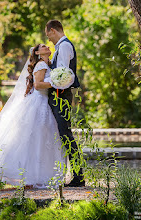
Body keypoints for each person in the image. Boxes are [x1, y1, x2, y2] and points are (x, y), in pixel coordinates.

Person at [0, 44, 68, 189]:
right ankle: (24, 176)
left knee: (39, 140)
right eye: (44, 46)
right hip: (38, 103)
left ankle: (36, 176)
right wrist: (55, 83)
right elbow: (38, 85)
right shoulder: (41, 65)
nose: (48, 46)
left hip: (44, 103)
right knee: (31, 139)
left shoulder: (48, 64)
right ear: (38, 52)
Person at [45, 19, 85, 187]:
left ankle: (78, 176)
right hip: (58, 95)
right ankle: (71, 174)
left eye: (48, 36)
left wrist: (45, 83)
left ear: (53, 30)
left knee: (66, 134)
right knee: (63, 134)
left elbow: (64, 76)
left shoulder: (65, 46)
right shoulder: (60, 47)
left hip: (61, 96)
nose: (48, 40)